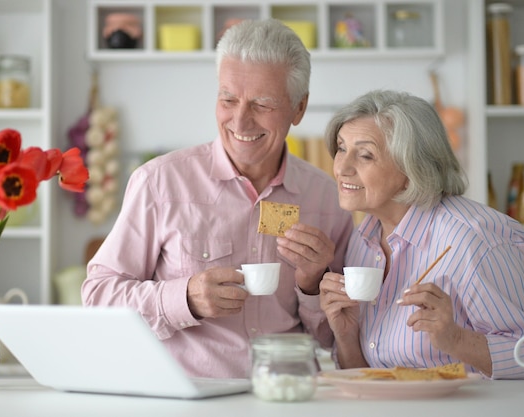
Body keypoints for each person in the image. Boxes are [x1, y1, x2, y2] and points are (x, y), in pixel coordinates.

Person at [81, 19, 354, 378]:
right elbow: (98, 297)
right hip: (188, 399)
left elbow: (337, 340)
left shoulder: (327, 198)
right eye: (228, 99)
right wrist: (185, 299)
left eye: (263, 104)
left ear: (299, 109)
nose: (240, 121)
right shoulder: (159, 183)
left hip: (287, 395)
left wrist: (311, 284)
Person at [319, 89, 524, 379]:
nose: (341, 167)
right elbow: (369, 377)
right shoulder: (363, 240)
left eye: (365, 155)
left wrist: (456, 339)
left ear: (411, 169)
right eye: (341, 148)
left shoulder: (476, 239)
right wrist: (346, 335)